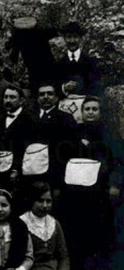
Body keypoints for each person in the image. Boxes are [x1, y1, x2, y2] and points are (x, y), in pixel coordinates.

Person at [60, 96, 119, 269]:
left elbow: (118, 161)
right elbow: (63, 159)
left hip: (99, 193)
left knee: (99, 234)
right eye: (87, 109)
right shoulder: (73, 133)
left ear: (100, 112)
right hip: (75, 192)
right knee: (76, 235)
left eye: (94, 109)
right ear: (82, 112)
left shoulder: (110, 134)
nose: (91, 112)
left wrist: (114, 184)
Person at [19, 181, 70, 270]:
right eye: (40, 201)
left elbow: (63, 256)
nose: (45, 205)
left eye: (48, 201)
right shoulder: (21, 223)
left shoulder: (54, 223)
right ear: (32, 201)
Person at [55, 22, 102, 97]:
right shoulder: (59, 64)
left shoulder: (90, 63)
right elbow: (54, 86)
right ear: (64, 39)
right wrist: (64, 88)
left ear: (80, 39)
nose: (72, 41)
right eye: (69, 37)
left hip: (86, 104)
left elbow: (97, 85)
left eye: (75, 37)